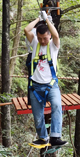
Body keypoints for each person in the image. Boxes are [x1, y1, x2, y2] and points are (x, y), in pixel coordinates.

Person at [24, 11, 67, 147]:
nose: (43, 41)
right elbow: (26, 29)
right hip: (35, 86)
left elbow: (55, 35)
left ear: (49, 36)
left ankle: (55, 136)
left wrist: (48, 20)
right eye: (40, 38)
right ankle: (43, 137)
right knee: (37, 116)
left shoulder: (53, 46)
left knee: (56, 106)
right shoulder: (35, 43)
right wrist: (38, 18)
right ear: (37, 36)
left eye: (45, 38)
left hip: (51, 84)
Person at [25, 21, 46, 105]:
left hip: (30, 56)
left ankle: (31, 100)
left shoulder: (30, 33)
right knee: (38, 77)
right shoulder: (35, 33)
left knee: (31, 78)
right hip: (36, 55)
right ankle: (42, 98)